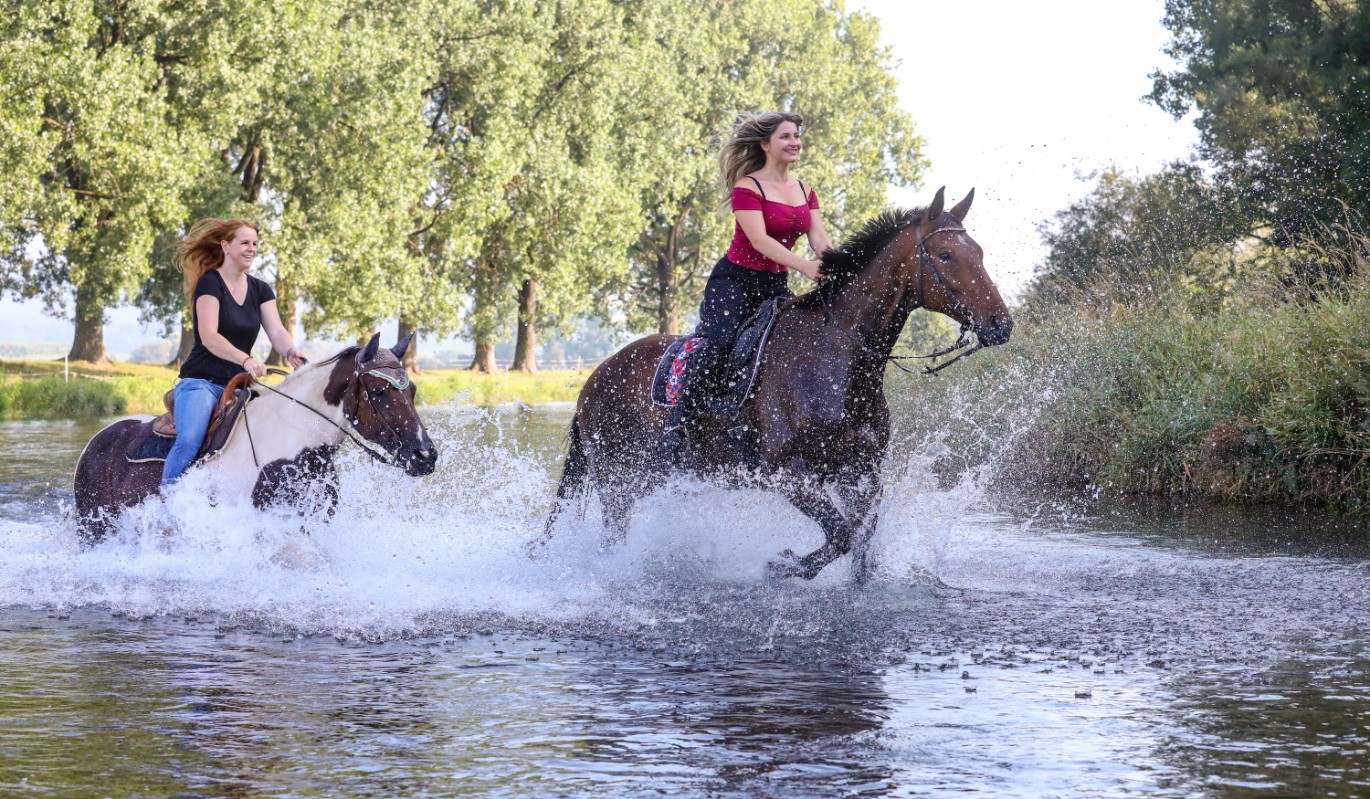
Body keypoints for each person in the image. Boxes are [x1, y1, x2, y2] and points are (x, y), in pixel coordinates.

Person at [660, 111, 833, 460]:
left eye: (797, 135)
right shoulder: (747, 187)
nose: (795, 142)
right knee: (721, 343)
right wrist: (806, 267)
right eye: (786, 136)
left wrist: (837, 266)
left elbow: (819, 239)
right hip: (734, 282)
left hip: (774, 284)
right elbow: (759, 241)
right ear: (765, 144)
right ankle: (678, 424)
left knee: (791, 345)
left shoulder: (805, 191)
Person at [161, 218, 305, 485]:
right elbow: (209, 337)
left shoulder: (261, 289)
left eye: (255, 244)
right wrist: (246, 360)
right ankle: (166, 505)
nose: (251, 248)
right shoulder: (210, 283)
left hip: (239, 386)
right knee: (190, 439)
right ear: (225, 246)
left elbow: (276, 331)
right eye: (245, 243)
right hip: (200, 383)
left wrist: (290, 350)